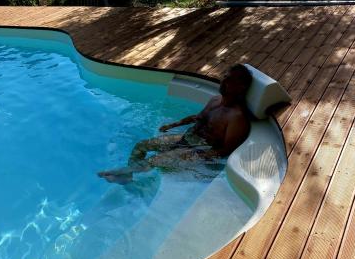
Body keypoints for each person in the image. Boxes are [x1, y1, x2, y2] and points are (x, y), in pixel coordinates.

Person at [98, 64, 253, 184]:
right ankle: (128, 176)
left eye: (230, 80)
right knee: (141, 145)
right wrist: (173, 125)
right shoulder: (215, 100)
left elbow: (226, 150)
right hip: (187, 138)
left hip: (200, 149)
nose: (224, 81)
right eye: (225, 76)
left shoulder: (237, 117)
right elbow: (198, 117)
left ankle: (123, 172)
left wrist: (196, 156)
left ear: (241, 87)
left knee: (154, 160)